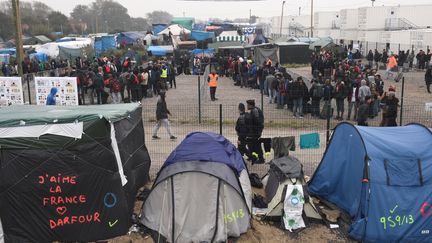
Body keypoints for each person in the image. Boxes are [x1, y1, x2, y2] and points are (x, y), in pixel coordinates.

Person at [246, 99, 264, 164]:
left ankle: (260, 159)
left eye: (247, 105)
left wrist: (255, 131)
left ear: (250, 105)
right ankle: (253, 157)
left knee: (256, 145)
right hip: (256, 131)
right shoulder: (254, 110)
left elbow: (257, 122)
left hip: (256, 132)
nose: (247, 106)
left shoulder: (254, 111)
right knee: (253, 144)